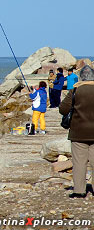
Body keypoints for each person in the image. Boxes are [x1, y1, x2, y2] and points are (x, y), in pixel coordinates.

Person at [59, 65, 94, 198]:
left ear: (81, 77)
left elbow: (63, 109)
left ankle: (79, 190)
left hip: (78, 132)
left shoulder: (75, 90)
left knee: (79, 162)